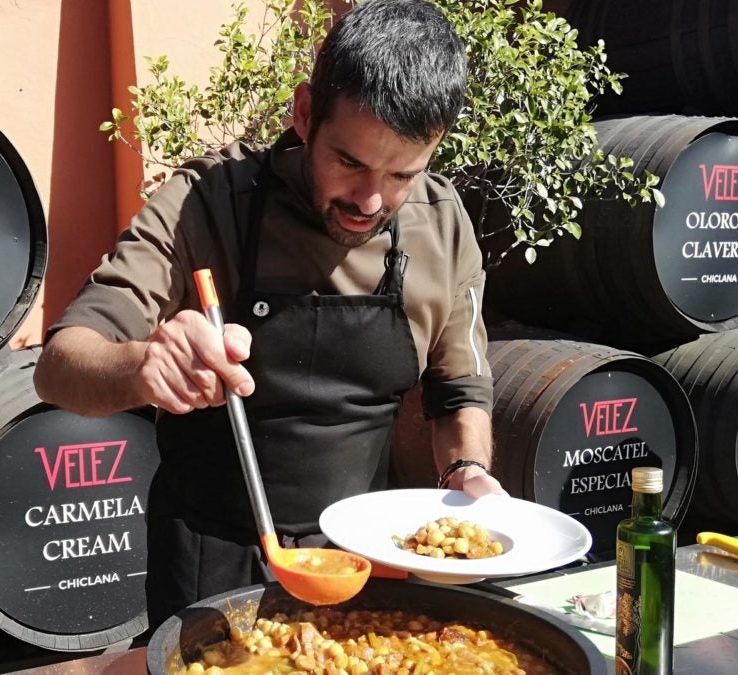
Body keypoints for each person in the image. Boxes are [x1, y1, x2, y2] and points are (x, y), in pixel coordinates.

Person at [33, 0, 505, 628]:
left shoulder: (442, 225)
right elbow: (62, 365)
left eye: (401, 175)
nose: (370, 200)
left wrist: (467, 471)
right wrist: (142, 364)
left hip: (364, 564)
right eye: (350, 162)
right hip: (210, 566)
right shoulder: (207, 204)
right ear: (305, 113)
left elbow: (459, 389)